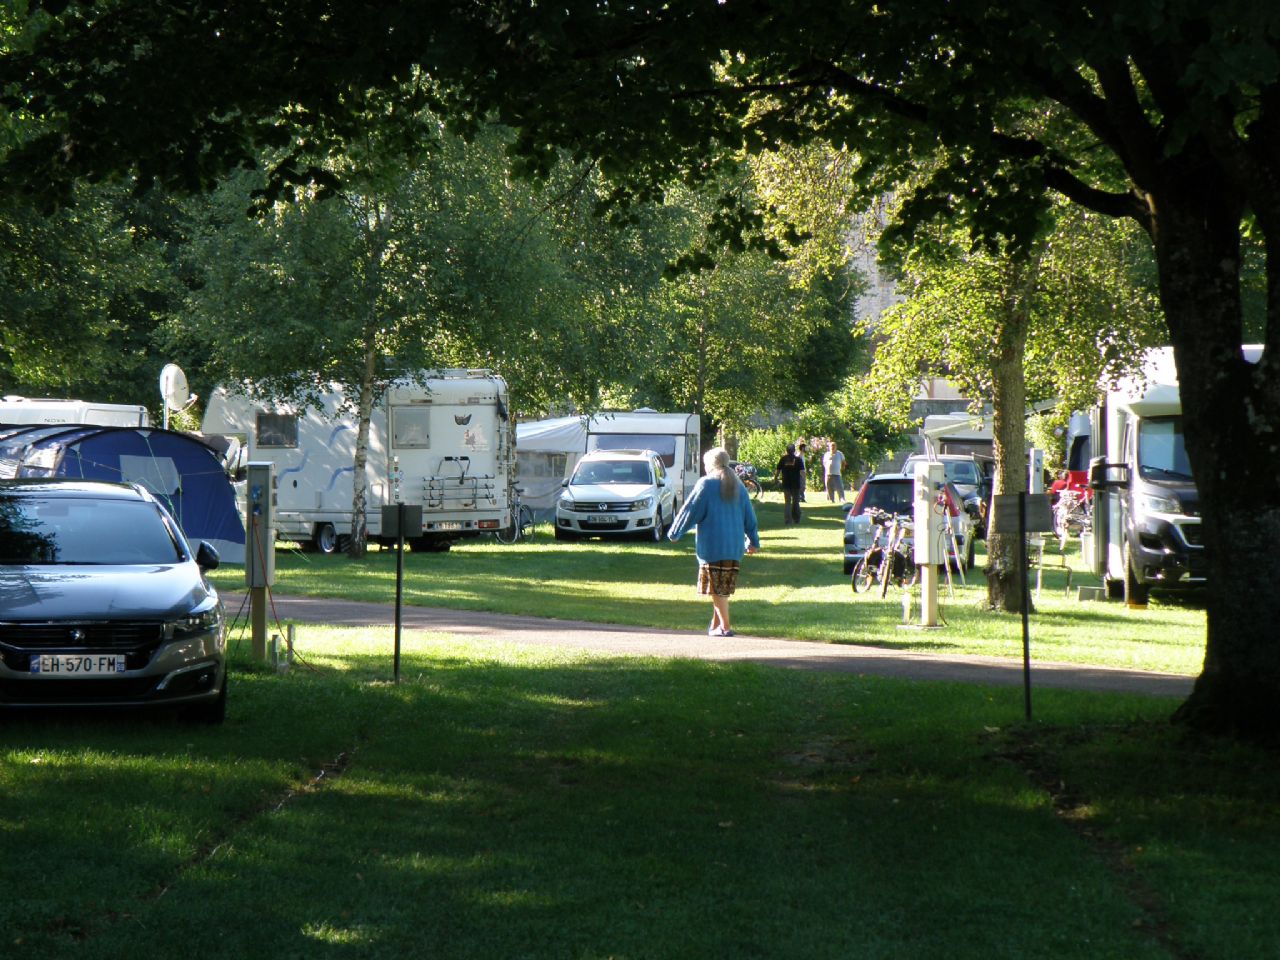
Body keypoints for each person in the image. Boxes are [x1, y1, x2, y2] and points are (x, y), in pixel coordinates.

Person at [668, 447, 760, 637]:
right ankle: (715, 625)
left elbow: (689, 511)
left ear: (710, 464)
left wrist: (675, 533)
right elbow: (749, 517)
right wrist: (753, 541)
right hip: (734, 547)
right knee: (721, 588)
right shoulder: (738, 485)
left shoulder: (706, 484)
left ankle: (725, 627)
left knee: (717, 590)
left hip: (712, 546)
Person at [773, 442, 805, 524]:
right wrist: (804, 482)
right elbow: (802, 472)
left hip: (786, 483)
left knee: (787, 502)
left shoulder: (783, 459)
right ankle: (796, 519)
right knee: (796, 502)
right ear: (794, 450)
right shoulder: (798, 460)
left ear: (787, 450)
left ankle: (788, 520)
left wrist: (775, 478)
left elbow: (778, 470)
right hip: (796, 483)